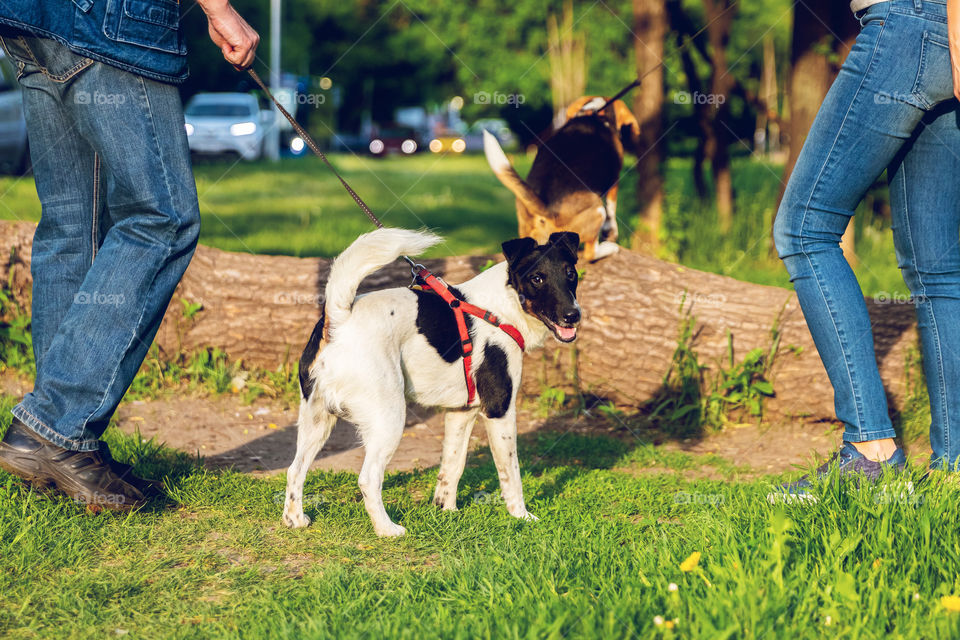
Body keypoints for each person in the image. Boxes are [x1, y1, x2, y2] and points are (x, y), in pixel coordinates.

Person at [0, 1, 259, 510]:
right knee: (162, 218)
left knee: (73, 225)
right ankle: (54, 424)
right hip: (114, 18)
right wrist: (220, 8)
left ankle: (67, 444)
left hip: (30, 19)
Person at [771, 0, 960, 500]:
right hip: (938, 34)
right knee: (936, 267)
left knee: (804, 228)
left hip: (908, 31)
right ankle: (953, 472)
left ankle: (872, 453)